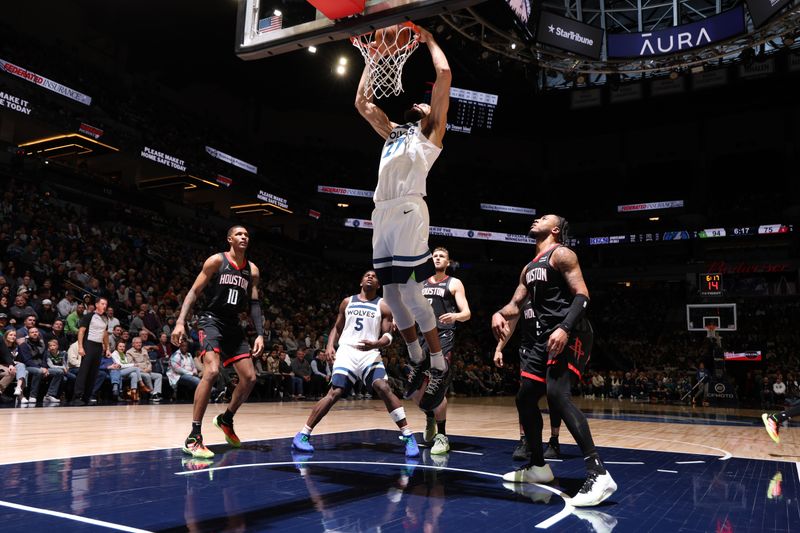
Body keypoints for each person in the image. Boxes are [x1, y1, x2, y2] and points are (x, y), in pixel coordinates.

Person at [354, 26, 452, 400]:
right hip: (382, 213)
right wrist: (374, 57)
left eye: (428, 107)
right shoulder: (395, 133)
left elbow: (444, 76)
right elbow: (362, 103)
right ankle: (415, 358)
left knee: (412, 296)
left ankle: (439, 364)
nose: (420, 107)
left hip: (411, 209)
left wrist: (426, 39)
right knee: (392, 298)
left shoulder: (431, 133)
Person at [491, 214, 616, 507]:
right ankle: (538, 466)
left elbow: (582, 295)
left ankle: (598, 474)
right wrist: (499, 313)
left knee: (557, 395)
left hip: (569, 331)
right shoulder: (529, 267)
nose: (537, 219)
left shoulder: (562, 254)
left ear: (556, 229)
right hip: (540, 339)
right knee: (525, 399)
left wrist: (564, 327)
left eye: (544, 218)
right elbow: (515, 305)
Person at [292, 270, 419, 458]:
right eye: (367, 275)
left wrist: (376, 343)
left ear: (378, 285)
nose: (370, 277)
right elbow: (337, 326)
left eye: (374, 276)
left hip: (369, 353)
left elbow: (388, 336)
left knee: (383, 387)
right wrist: (329, 345)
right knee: (335, 392)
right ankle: (303, 434)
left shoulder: (383, 306)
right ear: (361, 281)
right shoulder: (347, 302)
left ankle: (408, 435)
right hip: (347, 351)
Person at [171, 225, 264, 459]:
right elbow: (194, 291)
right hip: (211, 320)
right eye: (239, 234)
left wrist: (260, 333)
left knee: (250, 378)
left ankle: (226, 419)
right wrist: (181, 321)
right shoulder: (216, 261)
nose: (244, 237)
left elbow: (254, 304)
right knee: (211, 371)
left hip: (234, 325)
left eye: (247, 234)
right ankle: (193, 437)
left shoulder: (252, 271)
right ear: (229, 239)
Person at [410, 247, 471, 455]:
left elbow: (467, 313)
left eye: (441, 256)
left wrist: (455, 316)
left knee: (437, 388)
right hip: (420, 339)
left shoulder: (453, 283)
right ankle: (429, 417)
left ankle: (442, 435)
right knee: (414, 392)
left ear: (448, 262)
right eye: (434, 256)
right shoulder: (420, 282)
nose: (437, 258)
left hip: (443, 337)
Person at [70, 298, 109, 406]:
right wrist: (80, 347)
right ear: (97, 305)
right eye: (102, 303)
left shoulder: (106, 318)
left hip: (98, 347)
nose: (104, 305)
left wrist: (108, 348)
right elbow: (81, 332)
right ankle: (77, 396)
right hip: (88, 345)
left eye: (106, 304)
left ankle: (87, 397)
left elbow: (105, 334)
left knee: (94, 373)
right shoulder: (89, 316)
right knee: (84, 372)